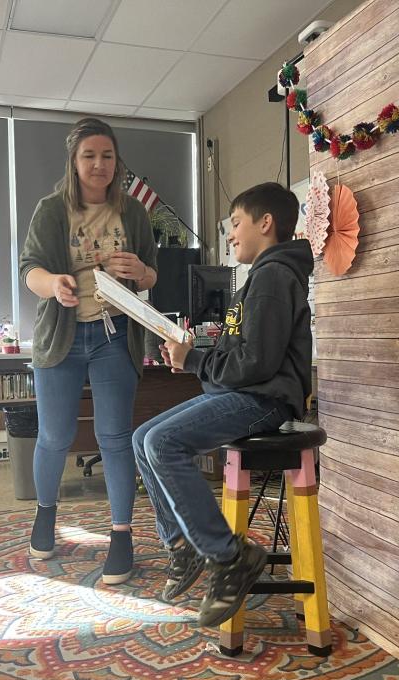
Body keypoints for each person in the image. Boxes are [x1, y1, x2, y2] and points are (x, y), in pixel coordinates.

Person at [133, 182, 312, 627]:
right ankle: (182, 546)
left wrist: (195, 360)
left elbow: (256, 363)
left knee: (162, 443)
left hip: (265, 400)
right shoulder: (261, 276)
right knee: (142, 438)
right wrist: (198, 354)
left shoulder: (273, 276)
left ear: (265, 223)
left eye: (235, 223)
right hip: (244, 392)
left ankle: (228, 556)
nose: (230, 235)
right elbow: (243, 350)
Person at [19, 118, 158, 584]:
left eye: (107, 156)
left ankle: (121, 536)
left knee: (115, 438)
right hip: (61, 335)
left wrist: (140, 269)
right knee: (55, 436)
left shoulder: (134, 213)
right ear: (74, 162)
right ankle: (45, 514)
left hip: (114, 334)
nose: (99, 164)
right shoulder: (51, 210)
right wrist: (52, 283)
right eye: (89, 156)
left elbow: (152, 277)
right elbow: (29, 270)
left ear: (117, 162)